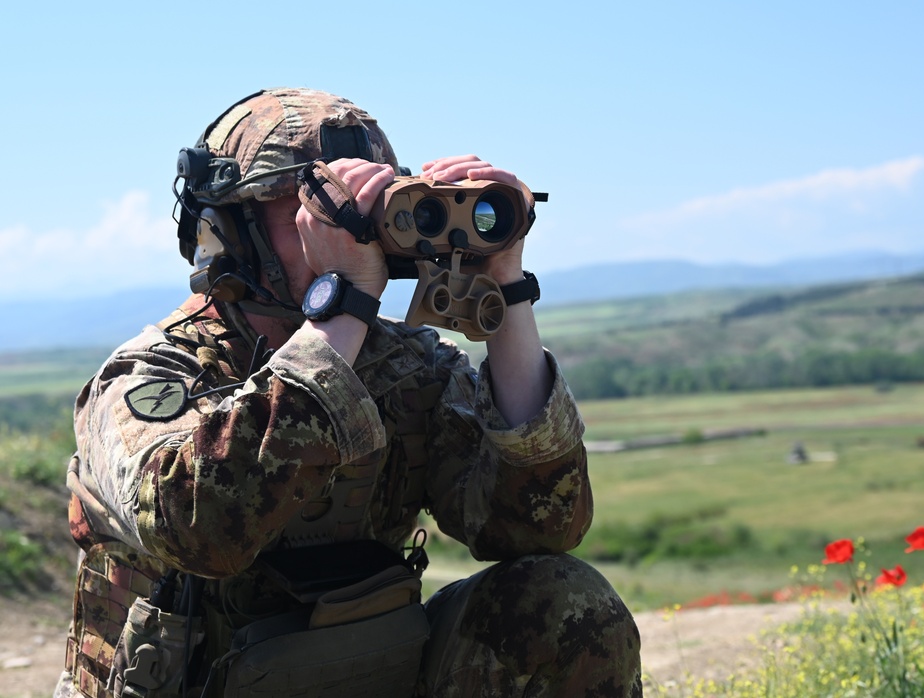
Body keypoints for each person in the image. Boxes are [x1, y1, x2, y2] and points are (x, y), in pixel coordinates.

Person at [55, 87, 641, 698]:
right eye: (312, 212)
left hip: (359, 671)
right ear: (230, 229)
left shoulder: (403, 364)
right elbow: (203, 527)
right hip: (199, 683)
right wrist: (347, 303)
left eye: (364, 212)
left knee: (563, 603)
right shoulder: (151, 376)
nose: (352, 236)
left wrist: (507, 285)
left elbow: (537, 526)